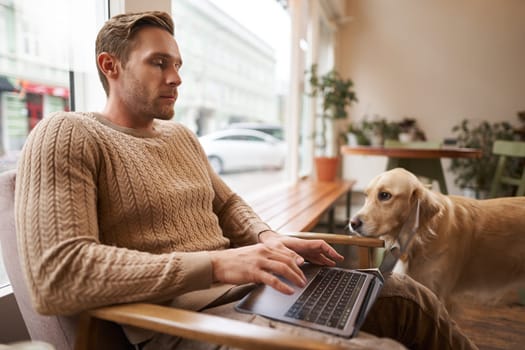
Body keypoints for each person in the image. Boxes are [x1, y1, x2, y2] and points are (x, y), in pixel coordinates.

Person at [14, 11, 477, 350]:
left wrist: (271, 240)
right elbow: (60, 275)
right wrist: (218, 265)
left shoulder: (181, 137)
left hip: (256, 293)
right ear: (110, 66)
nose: (176, 78)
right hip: (183, 320)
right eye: (160, 63)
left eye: (178, 65)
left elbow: (229, 206)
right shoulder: (67, 132)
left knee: (406, 295)